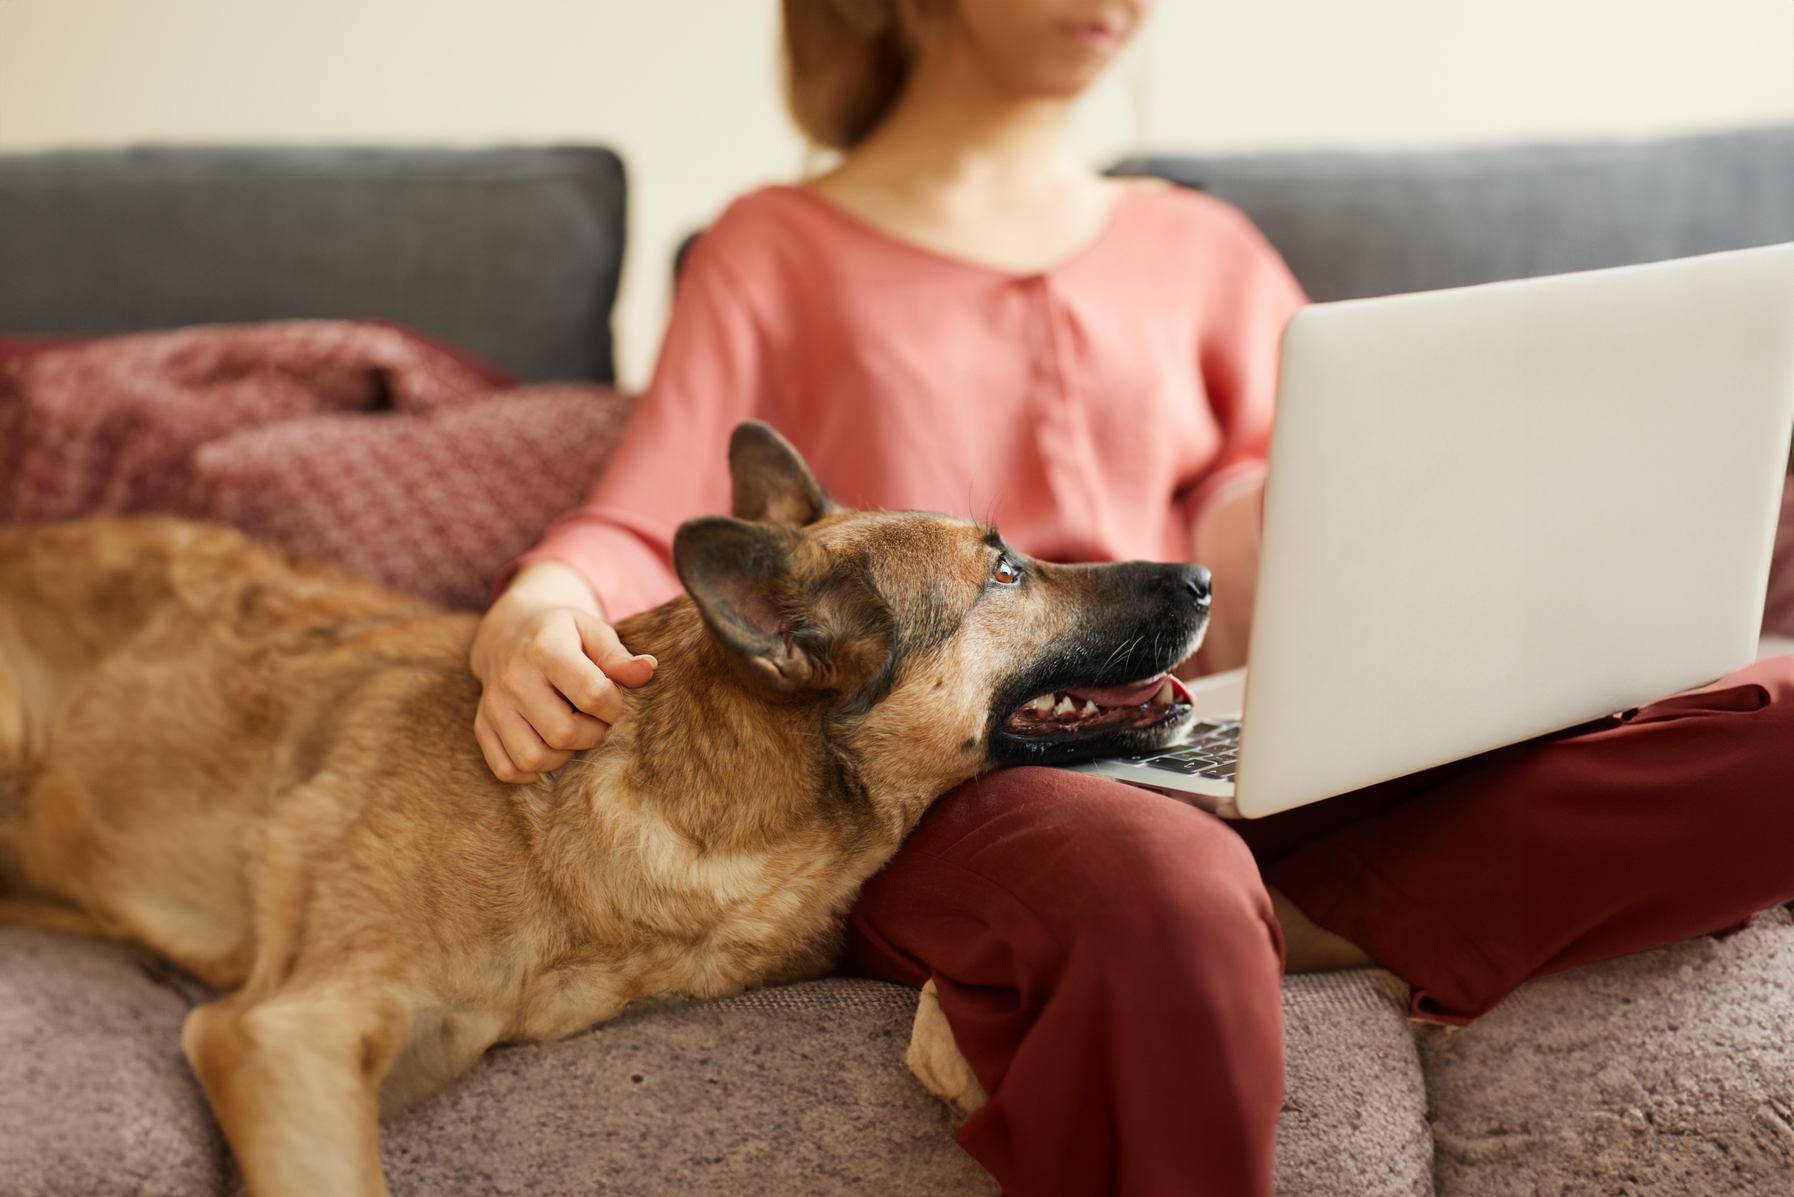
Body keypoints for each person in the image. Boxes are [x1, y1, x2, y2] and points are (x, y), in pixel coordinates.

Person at [469, 2, 1794, 1193]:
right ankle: (1170, 919)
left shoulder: (1198, 243)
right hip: (971, 782)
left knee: (1775, 704)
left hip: (1214, 725)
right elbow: (649, 516)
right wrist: (539, 603)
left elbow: (1292, 503)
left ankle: (1247, 921)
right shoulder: (774, 244)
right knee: (1156, 876)